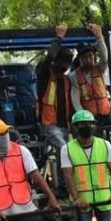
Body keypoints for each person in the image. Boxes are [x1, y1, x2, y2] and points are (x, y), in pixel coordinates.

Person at [36, 24, 75, 198]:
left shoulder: (66, 80)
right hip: (48, 123)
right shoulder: (45, 74)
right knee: (64, 149)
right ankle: (65, 188)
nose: (64, 66)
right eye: (62, 62)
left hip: (64, 125)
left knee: (65, 153)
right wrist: (59, 39)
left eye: (67, 63)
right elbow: (47, 59)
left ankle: (66, 188)